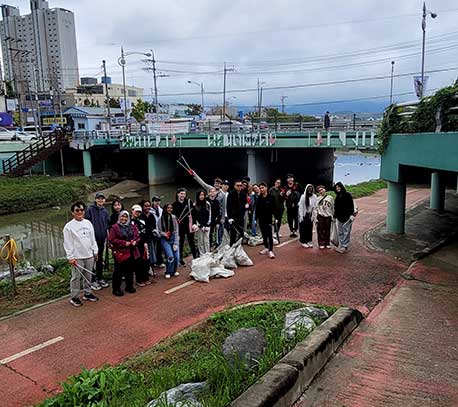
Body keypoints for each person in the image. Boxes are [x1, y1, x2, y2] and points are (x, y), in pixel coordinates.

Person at [63, 202, 99, 306]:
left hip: (89, 255)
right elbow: (67, 243)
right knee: (76, 277)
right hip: (77, 257)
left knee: (88, 275)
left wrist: (95, 252)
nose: (80, 212)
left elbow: (93, 239)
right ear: (73, 213)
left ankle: (87, 293)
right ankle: (74, 297)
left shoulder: (88, 223)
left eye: (82, 210)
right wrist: (70, 257)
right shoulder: (68, 227)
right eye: (77, 210)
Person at [108, 210, 140, 296]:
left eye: (126, 217)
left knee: (130, 270)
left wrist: (135, 242)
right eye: (122, 216)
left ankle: (129, 286)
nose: (124, 218)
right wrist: (123, 243)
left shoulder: (132, 226)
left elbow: (137, 236)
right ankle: (116, 289)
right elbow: (112, 239)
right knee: (118, 271)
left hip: (131, 251)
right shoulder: (115, 227)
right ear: (119, 217)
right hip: (120, 252)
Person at [85, 191, 110, 290]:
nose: (100, 200)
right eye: (99, 198)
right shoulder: (90, 210)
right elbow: (86, 224)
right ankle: (92, 280)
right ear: (95, 199)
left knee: (99, 259)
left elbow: (107, 226)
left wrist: (107, 238)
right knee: (92, 260)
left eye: (102, 198)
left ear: (104, 200)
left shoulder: (105, 211)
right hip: (92, 241)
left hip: (101, 240)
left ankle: (99, 278)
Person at [172, 188, 197, 265]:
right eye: (181, 194)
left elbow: (194, 213)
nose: (183, 195)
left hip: (188, 225)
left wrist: (194, 223)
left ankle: (195, 257)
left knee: (191, 241)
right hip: (180, 227)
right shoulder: (174, 205)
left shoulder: (189, 202)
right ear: (178, 194)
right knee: (181, 242)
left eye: (184, 194)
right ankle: (180, 258)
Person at [334, 182, 357, 253]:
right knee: (340, 232)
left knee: (346, 232)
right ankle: (341, 245)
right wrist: (335, 215)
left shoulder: (348, 195)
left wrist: (352, 215)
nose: (337, 188)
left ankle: (344, 246)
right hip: (339, 217)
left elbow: (351, 205)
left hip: (347, 217)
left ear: (341, 187)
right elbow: (336, 207)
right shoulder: (337, 197)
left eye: (339, 187)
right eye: (336, 187)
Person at [130, 204, 151, 286]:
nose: (137, 213)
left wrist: (146, 242)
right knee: (137, 262)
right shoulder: (129, 222)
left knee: (145, 260)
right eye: (136, 211)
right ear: (132, 211)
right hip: (135, 245)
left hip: (143, 244)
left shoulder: (142, 220)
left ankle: (146, 278)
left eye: (139, 212)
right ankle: (139, 279)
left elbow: (146, 232)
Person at [158, 203, 180, 279]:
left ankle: (174, 270)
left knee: (176, 257)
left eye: (171, 208)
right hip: (165, 239)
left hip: (173, 238)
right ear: (165, 209)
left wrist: (176, 243)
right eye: (168, 208)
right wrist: (165, 234)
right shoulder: (160, 219)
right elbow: (159, 231)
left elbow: (176, 231)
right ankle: (168, 271)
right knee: (170, 256)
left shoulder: (174, 218)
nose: (169, 209)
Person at [256, 182, 275, 259]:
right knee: (263, 234)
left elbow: (274, 208)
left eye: (263, 187)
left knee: (269, 234)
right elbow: (257, 209)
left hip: (269, 219)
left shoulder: (271, 197)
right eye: (260, 188)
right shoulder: (259, 198)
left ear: (266, 188)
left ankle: (270, 250)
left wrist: (274, 217)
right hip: (261, 219)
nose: (261, 189)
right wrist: (255, 218)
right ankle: (266, 247)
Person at [226, 180, 248, 246]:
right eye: (237, 185)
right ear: (234, 186)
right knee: (233, 234)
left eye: (240, 185)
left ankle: (239, 248)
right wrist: (229, 217)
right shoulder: (231, 194)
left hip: (241, 217)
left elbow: (244, 205)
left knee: (241, 233)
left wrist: (244, 211)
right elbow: (228, 207)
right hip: (233, 217)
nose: (239, 187)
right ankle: (231, 247)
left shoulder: (243, 194)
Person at [140, 199, 157, 276]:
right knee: (145, 255)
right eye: (145, 206)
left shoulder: (151, 215)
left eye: (149, 206)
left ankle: (151, 268)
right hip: (143, 239)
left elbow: (153, 226)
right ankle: (146, 270)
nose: (147, 207)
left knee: (152, 254)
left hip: (150, 238)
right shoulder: (140, 216)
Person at [314, 185, 334, 249]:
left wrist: (333, 215)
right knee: (320, 230)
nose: (321, 191)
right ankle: (321, 243)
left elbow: (332, 207)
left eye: (322, 189)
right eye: (319, 190)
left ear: (325, 189)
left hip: (328, 216)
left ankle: (327, 242)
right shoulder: (317, 199)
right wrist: (315, 218)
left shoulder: (330, 197)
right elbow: (315, 209)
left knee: (328, 230)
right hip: (320, 216)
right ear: (318, 192)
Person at [192, 190, 212, 255]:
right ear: (198, 196)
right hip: (199, 226)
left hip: (207, 226)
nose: (201, 196)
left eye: (203, 195)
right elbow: (194, 217)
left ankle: (207, 254)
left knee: (206, 241)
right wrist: (200, 226)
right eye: (200, 195)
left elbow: (210, 215)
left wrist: (207, 225)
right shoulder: (195, 205)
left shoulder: (207, 204)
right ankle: (202, 255)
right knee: (200, 241)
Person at [151, 196, 165, 268]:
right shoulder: (150, 211)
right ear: (153, 202)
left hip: (160, 231)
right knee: (153, 247)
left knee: (160, 247)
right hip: (153, 231)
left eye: (158, 201)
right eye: (156, 201)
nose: (157, 202)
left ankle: (160, 261)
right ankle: (153, 262)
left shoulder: (161, 210)